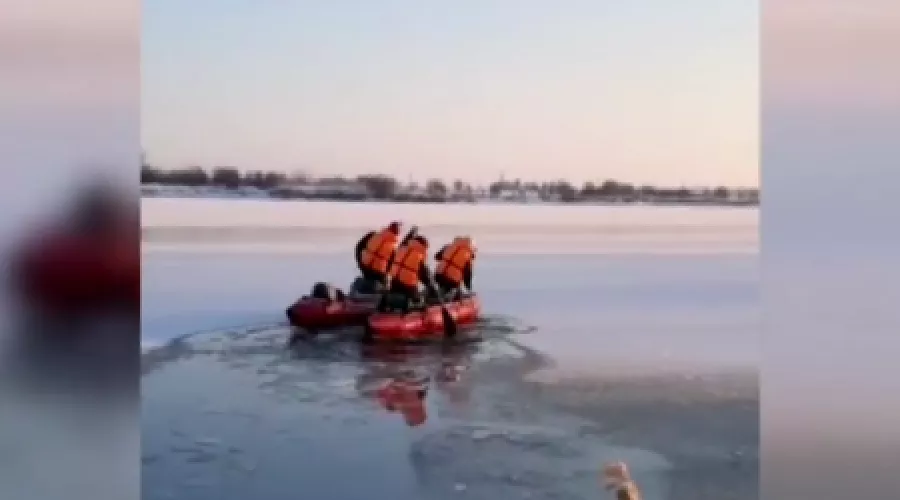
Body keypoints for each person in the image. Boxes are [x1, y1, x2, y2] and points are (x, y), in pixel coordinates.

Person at [382, 234, 437, 312]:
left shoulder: (400, 250)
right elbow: (425, 278)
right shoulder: (418, 257)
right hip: (408, 290)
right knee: (421, 300)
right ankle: (413, 307)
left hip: (394, 285)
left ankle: (390, 303)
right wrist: (433, 290)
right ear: (423, 246)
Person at [355, 221, 402, 291]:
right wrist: (385, 274)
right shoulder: (393, 248)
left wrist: (360, 261)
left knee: (367, 282)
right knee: (384, 286)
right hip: (378, 273)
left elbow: (359, 247)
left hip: (365, 267)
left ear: (388, 228)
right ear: (397, 233)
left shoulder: (372, 235)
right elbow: (391, 265)